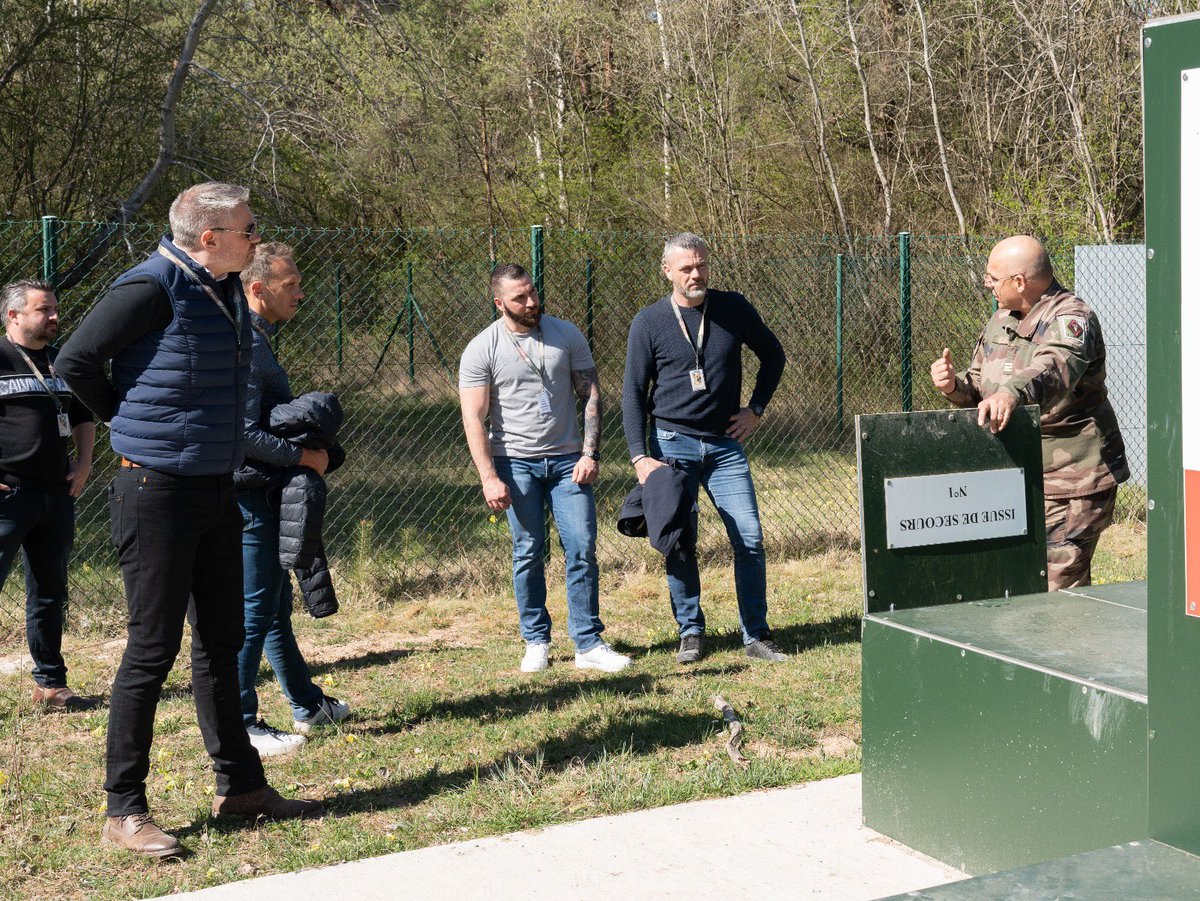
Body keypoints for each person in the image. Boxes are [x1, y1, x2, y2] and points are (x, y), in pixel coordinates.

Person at [57, 182, 322, 859]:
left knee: (222, 641)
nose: (255, 238)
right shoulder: (149, 286)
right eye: (247, 229)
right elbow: (74, 360)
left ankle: (241, 787)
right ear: (209, 237)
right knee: (152, 649)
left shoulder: (226, 287)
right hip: (154, 490)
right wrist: (128, 420)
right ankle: (124, 808)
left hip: (215, 487)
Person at [622, 232, 788, 665]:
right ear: (667, 272)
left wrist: (755, 409)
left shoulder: (733, 308)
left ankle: (756, 635)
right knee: (679, 540)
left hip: (725, 444)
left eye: (701, 265)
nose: (696, 274)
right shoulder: (648, 322)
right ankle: (691, 633)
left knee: (749, 537)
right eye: (686, 268)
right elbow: (633, 392)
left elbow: (773, 355)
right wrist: (639, 456)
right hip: (671, 445)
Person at [929, 234, 1129, 590]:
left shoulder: (1072, 317)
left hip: (1070, 480)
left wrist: (1011, 394)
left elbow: (1054, 368)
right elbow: (982, 387)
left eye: (993, 278)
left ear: (1019, 281)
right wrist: (953, 386)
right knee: (1016, 580)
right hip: (1013, 473)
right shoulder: (1001, 319)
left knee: (1057, 588)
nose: (987, 284)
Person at [459, 263, 630, 674]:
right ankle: (536, 641)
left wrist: (590, 454)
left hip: (570, 461)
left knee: (582, 549)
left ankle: (588, 643)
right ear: (499, 303)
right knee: (529, 552)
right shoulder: (482, 348)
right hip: (514, 463)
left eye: (532, 292)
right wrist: (489, 477)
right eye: (519, 298)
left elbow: (591, 394)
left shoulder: (566, 334)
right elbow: (473, 418)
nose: (531, 302)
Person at [236, 242, 349, 757]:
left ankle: (307, 705)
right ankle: (241, 723)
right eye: (291, 286)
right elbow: (241, 434)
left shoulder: (257, 336)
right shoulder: (245, 341)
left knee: (275, 605)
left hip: (263, 489)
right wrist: (303, 456)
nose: (301, 294)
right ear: (258, 289)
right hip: (246, 495)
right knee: (255, 609)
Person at [0, 280, 97, 710]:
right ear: (14, 315)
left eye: (55, 308)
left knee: (49, 593)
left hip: (56, 495)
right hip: (9, 496)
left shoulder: (62, 361)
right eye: (44, 310)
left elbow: (82, 415)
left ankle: (51, 685)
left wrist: (84, 462)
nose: (55, 316)